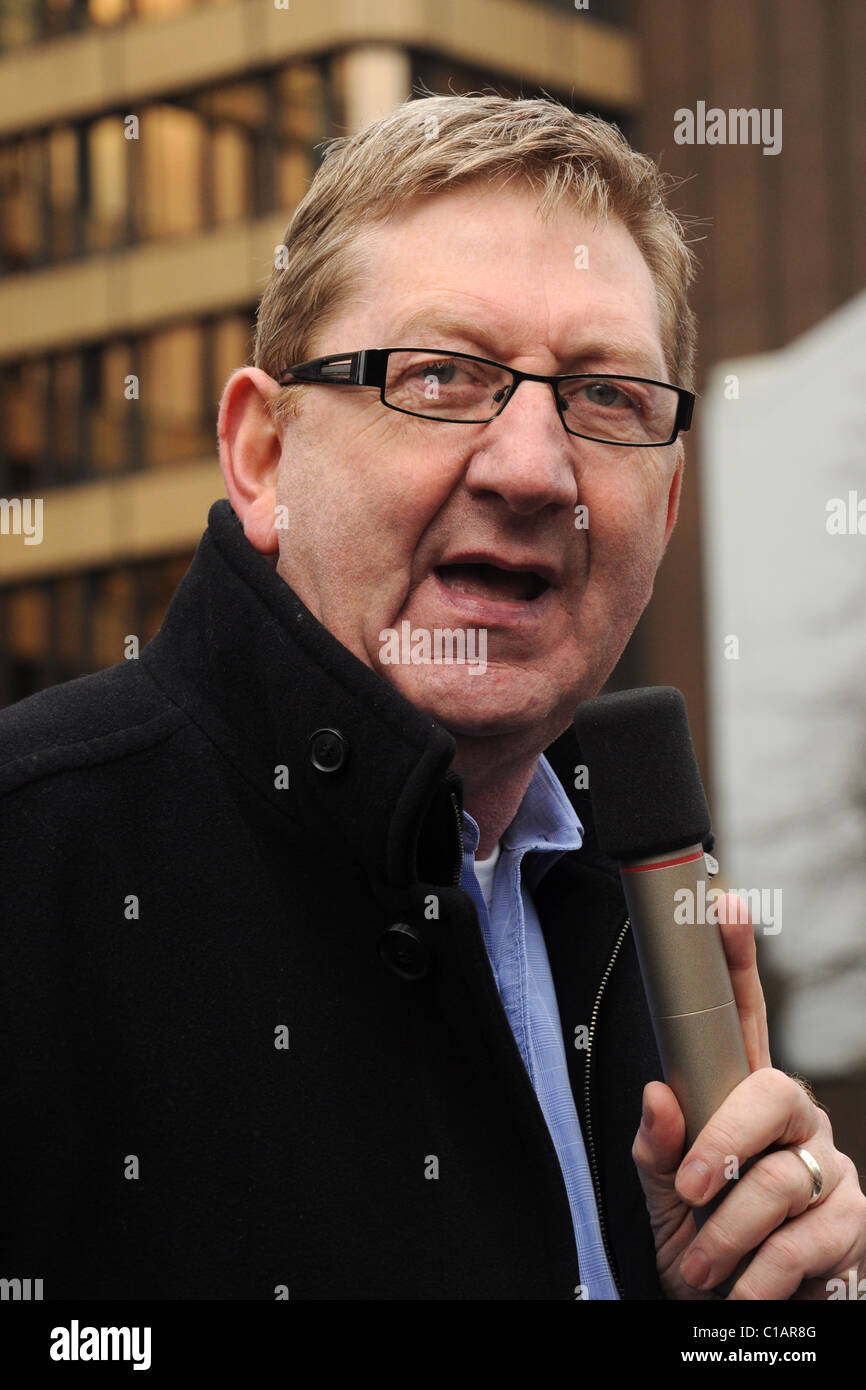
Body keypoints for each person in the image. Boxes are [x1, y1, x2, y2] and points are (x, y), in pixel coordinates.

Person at [1, 93, 863, 1302]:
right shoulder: (33, 865)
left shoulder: (656, 923)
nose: (530, 467)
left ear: (664, 511)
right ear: (260, 454)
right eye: (442, 375)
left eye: (606, 395)